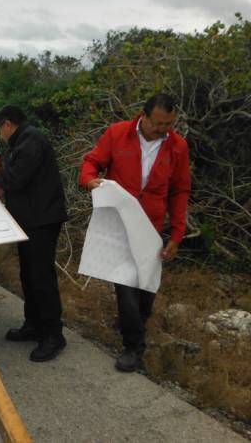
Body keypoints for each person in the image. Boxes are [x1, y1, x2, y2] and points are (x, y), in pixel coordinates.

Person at [79, 93, 191, 372]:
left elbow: (180, 191)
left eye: (168, 124)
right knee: (126, 284)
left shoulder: (178, 146)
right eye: (158, 123)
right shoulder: (118, 134)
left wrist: (176, 234)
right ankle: (133, 346)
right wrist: (89, 180)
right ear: (143, 115)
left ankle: (136, 321)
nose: (163, 129)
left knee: (145, 286)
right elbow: (92, 162)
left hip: (152, 226)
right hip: (120, 223)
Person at [0, 104, 68, 362]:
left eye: (0, 128)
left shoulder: (32, 140)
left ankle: (53, 334)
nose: (0, 133)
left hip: (42, 220)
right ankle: (33, 324)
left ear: (8, 124)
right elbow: (16, 170)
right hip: (28, 219)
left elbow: (18, 177)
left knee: (41, 277)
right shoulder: (23, 140)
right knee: (28, 274)